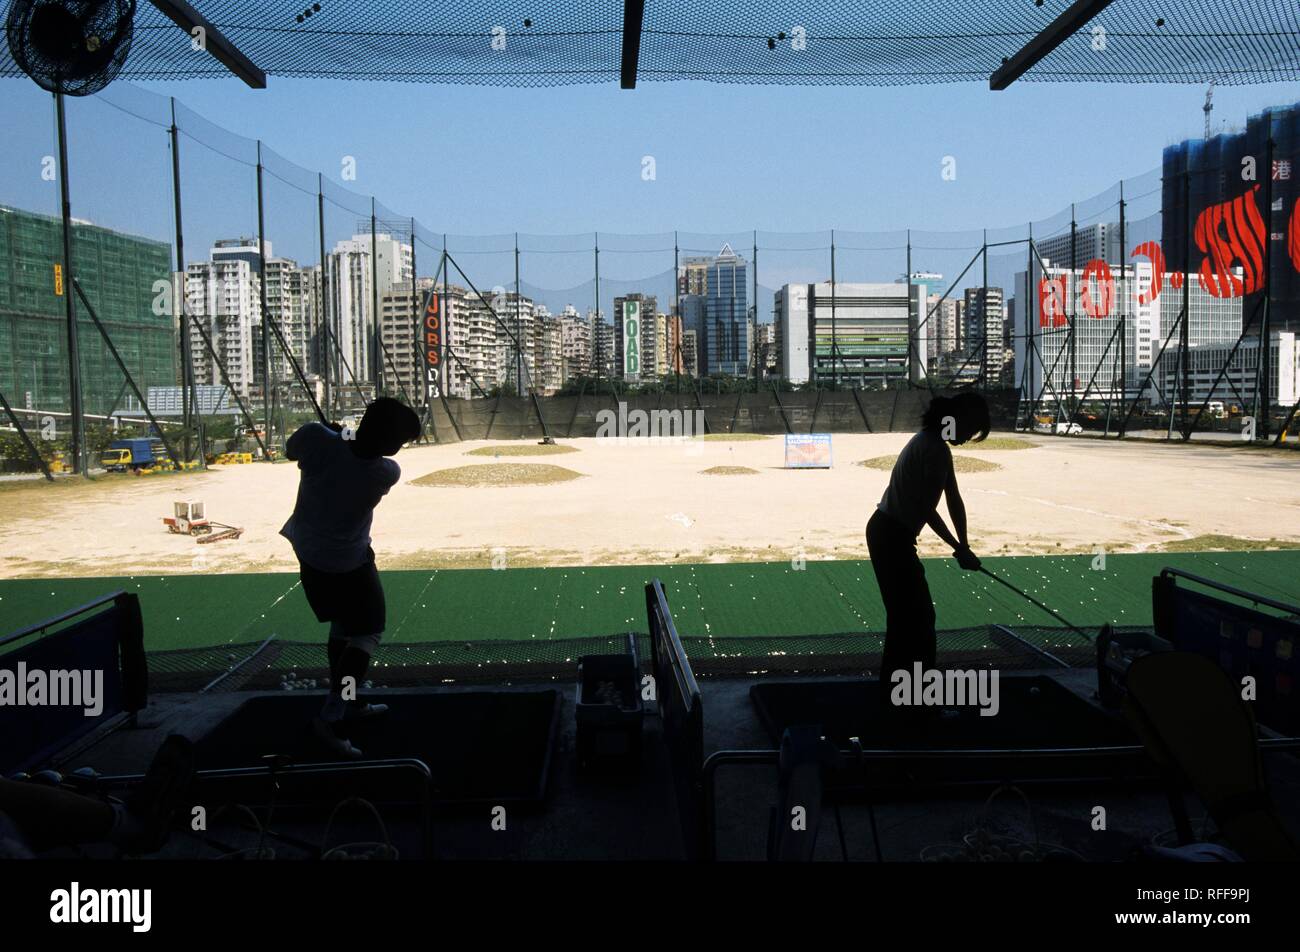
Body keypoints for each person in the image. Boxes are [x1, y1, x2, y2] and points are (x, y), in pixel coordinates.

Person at [281, 398, 422, 758]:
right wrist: (339, 436)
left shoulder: (316, 437)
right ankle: (330, 718)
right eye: (400, 441)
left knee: (342, 629)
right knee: (367, 633)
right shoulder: (385, 472)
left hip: (308, 552)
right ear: (390, 442)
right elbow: (368, 455)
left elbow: (290, 452)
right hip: (349, 561)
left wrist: (334, 433)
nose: (398, 449)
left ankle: (351, 701)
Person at [866, 391, 988, 722]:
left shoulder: (933, 444)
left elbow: (954, 498)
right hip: (891, 536)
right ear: (955, 420)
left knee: (907, 622)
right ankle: (917, 706)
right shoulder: (933, 448)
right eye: (970, 429)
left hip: (888, 533)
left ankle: (897, 702)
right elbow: (927, 509)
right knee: (918, 623)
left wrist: (964, 544)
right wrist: (958, 548)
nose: (967, 438)